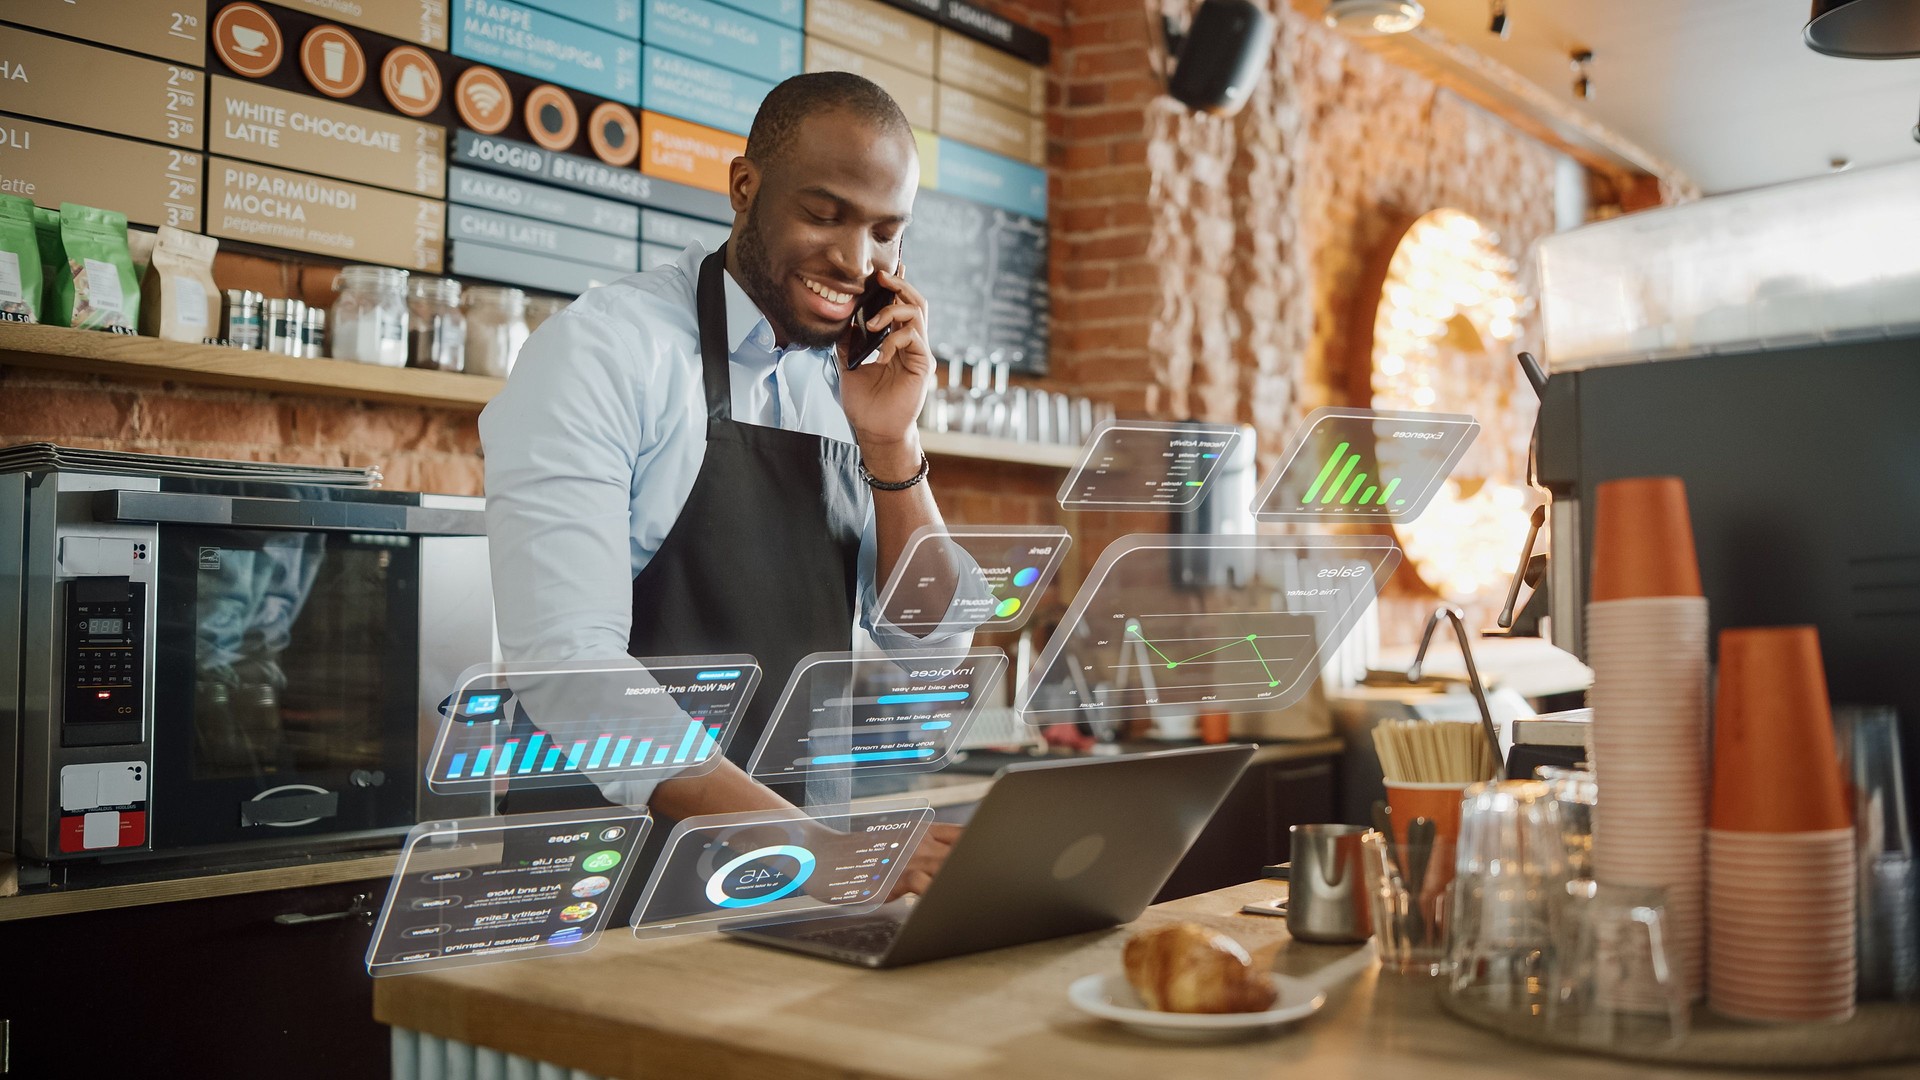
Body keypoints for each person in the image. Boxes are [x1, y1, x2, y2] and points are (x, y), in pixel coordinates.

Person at [481, 73, 964, 896]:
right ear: (745, 187)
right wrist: (810, 848)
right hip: (610, 888)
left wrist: (892, 443)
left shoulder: (857, 377)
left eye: (885, 232)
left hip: (796, 888)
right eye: (824, 214)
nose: (857, 262)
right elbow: (569, 664)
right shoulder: (602, 353)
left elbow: (932, 645)